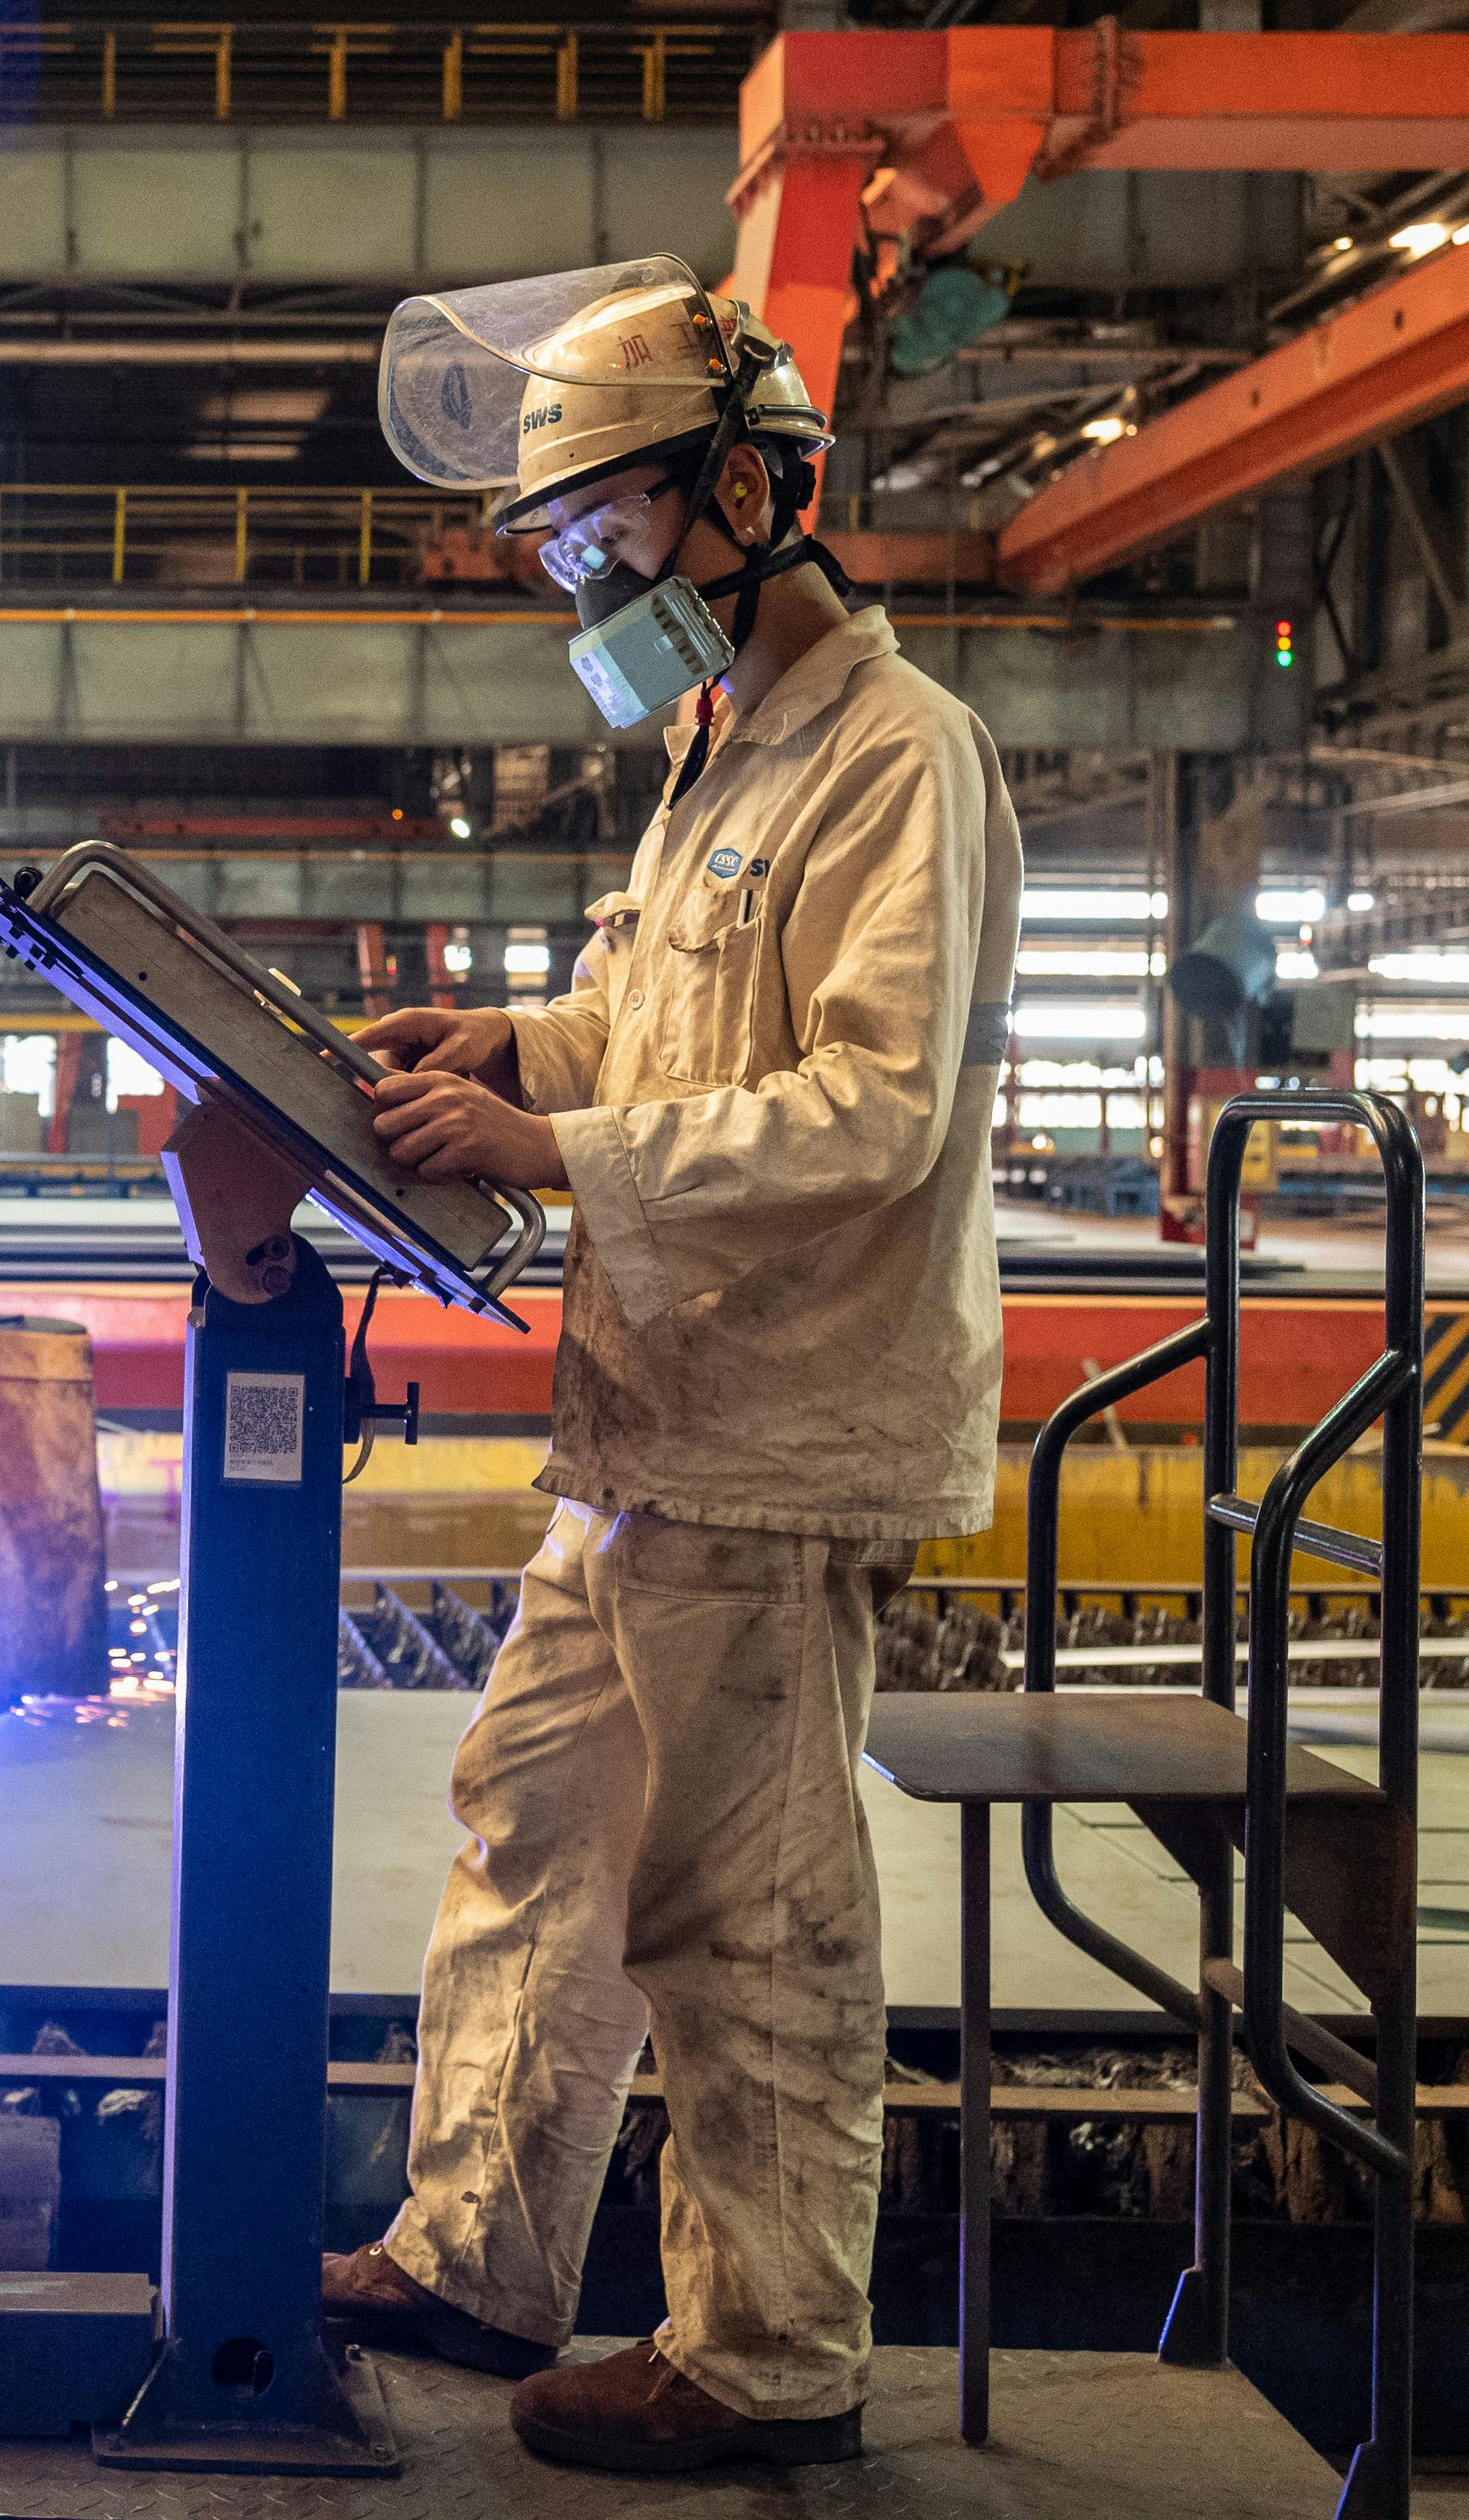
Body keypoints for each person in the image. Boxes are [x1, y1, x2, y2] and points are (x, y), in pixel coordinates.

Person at [318, 257, 1023, 2475]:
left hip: (779, 1432)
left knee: (743, 1907)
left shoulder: (898, 758)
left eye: (600, 528)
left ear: (749, 487)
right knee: (536, 1821)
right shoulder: (719, 757)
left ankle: (768, 2357)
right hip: (652, 1427)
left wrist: (558, 1149)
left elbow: (870, 1109)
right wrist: (520, 1048)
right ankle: (479, 2251)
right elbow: (660, 1030)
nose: (584, 582)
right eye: (558, 546)